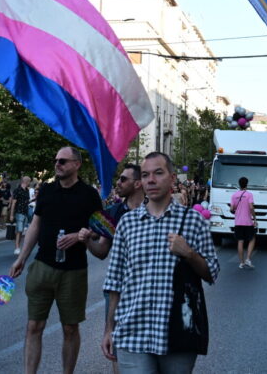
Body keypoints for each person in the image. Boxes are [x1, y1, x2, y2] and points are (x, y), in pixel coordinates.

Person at [101, 152, 219, 372]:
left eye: (158, 173)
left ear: (172, 178)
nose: (151, 180)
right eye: (145, 175)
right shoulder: (127, 223)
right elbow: (114, 281)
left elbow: (211, 272)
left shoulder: (193, 221)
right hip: (132, 332)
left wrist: (189, 253)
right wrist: (109, 329)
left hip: (178, 334)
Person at [9, 147, 108, 374]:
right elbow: (36, 224)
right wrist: (22, 258)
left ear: (77, 164)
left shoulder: (89, 195)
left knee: (70, 328)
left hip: (73, 271)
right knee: (34, 325)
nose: (58, 164)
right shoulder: (46, 190)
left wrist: (79, 235)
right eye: (56, 160)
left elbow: (99, 230)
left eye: (63, 161)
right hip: (42, 265)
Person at [230, 176, 257, 270]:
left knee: (240, 241)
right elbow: (251, 207)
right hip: (248, 222)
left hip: (238, 222)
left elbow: (231, 209)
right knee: (252, 239)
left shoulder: (234, 195)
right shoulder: (249, 194)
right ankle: (248, 259)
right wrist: (255, 218)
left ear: (239, 184)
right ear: (247, 184)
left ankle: (241, 262)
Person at [10, 176, 32, 254]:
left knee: (21, 231)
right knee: (19, 230)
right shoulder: (17, 190)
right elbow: (13, 203)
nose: (30, 183)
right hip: (19, 212)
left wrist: (33, 199)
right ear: (26, 181)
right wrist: (11, 215)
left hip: (25, 212)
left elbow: (26, 202)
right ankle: (17, 247)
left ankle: (18, 246)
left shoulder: (27, 191)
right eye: (29, 181)